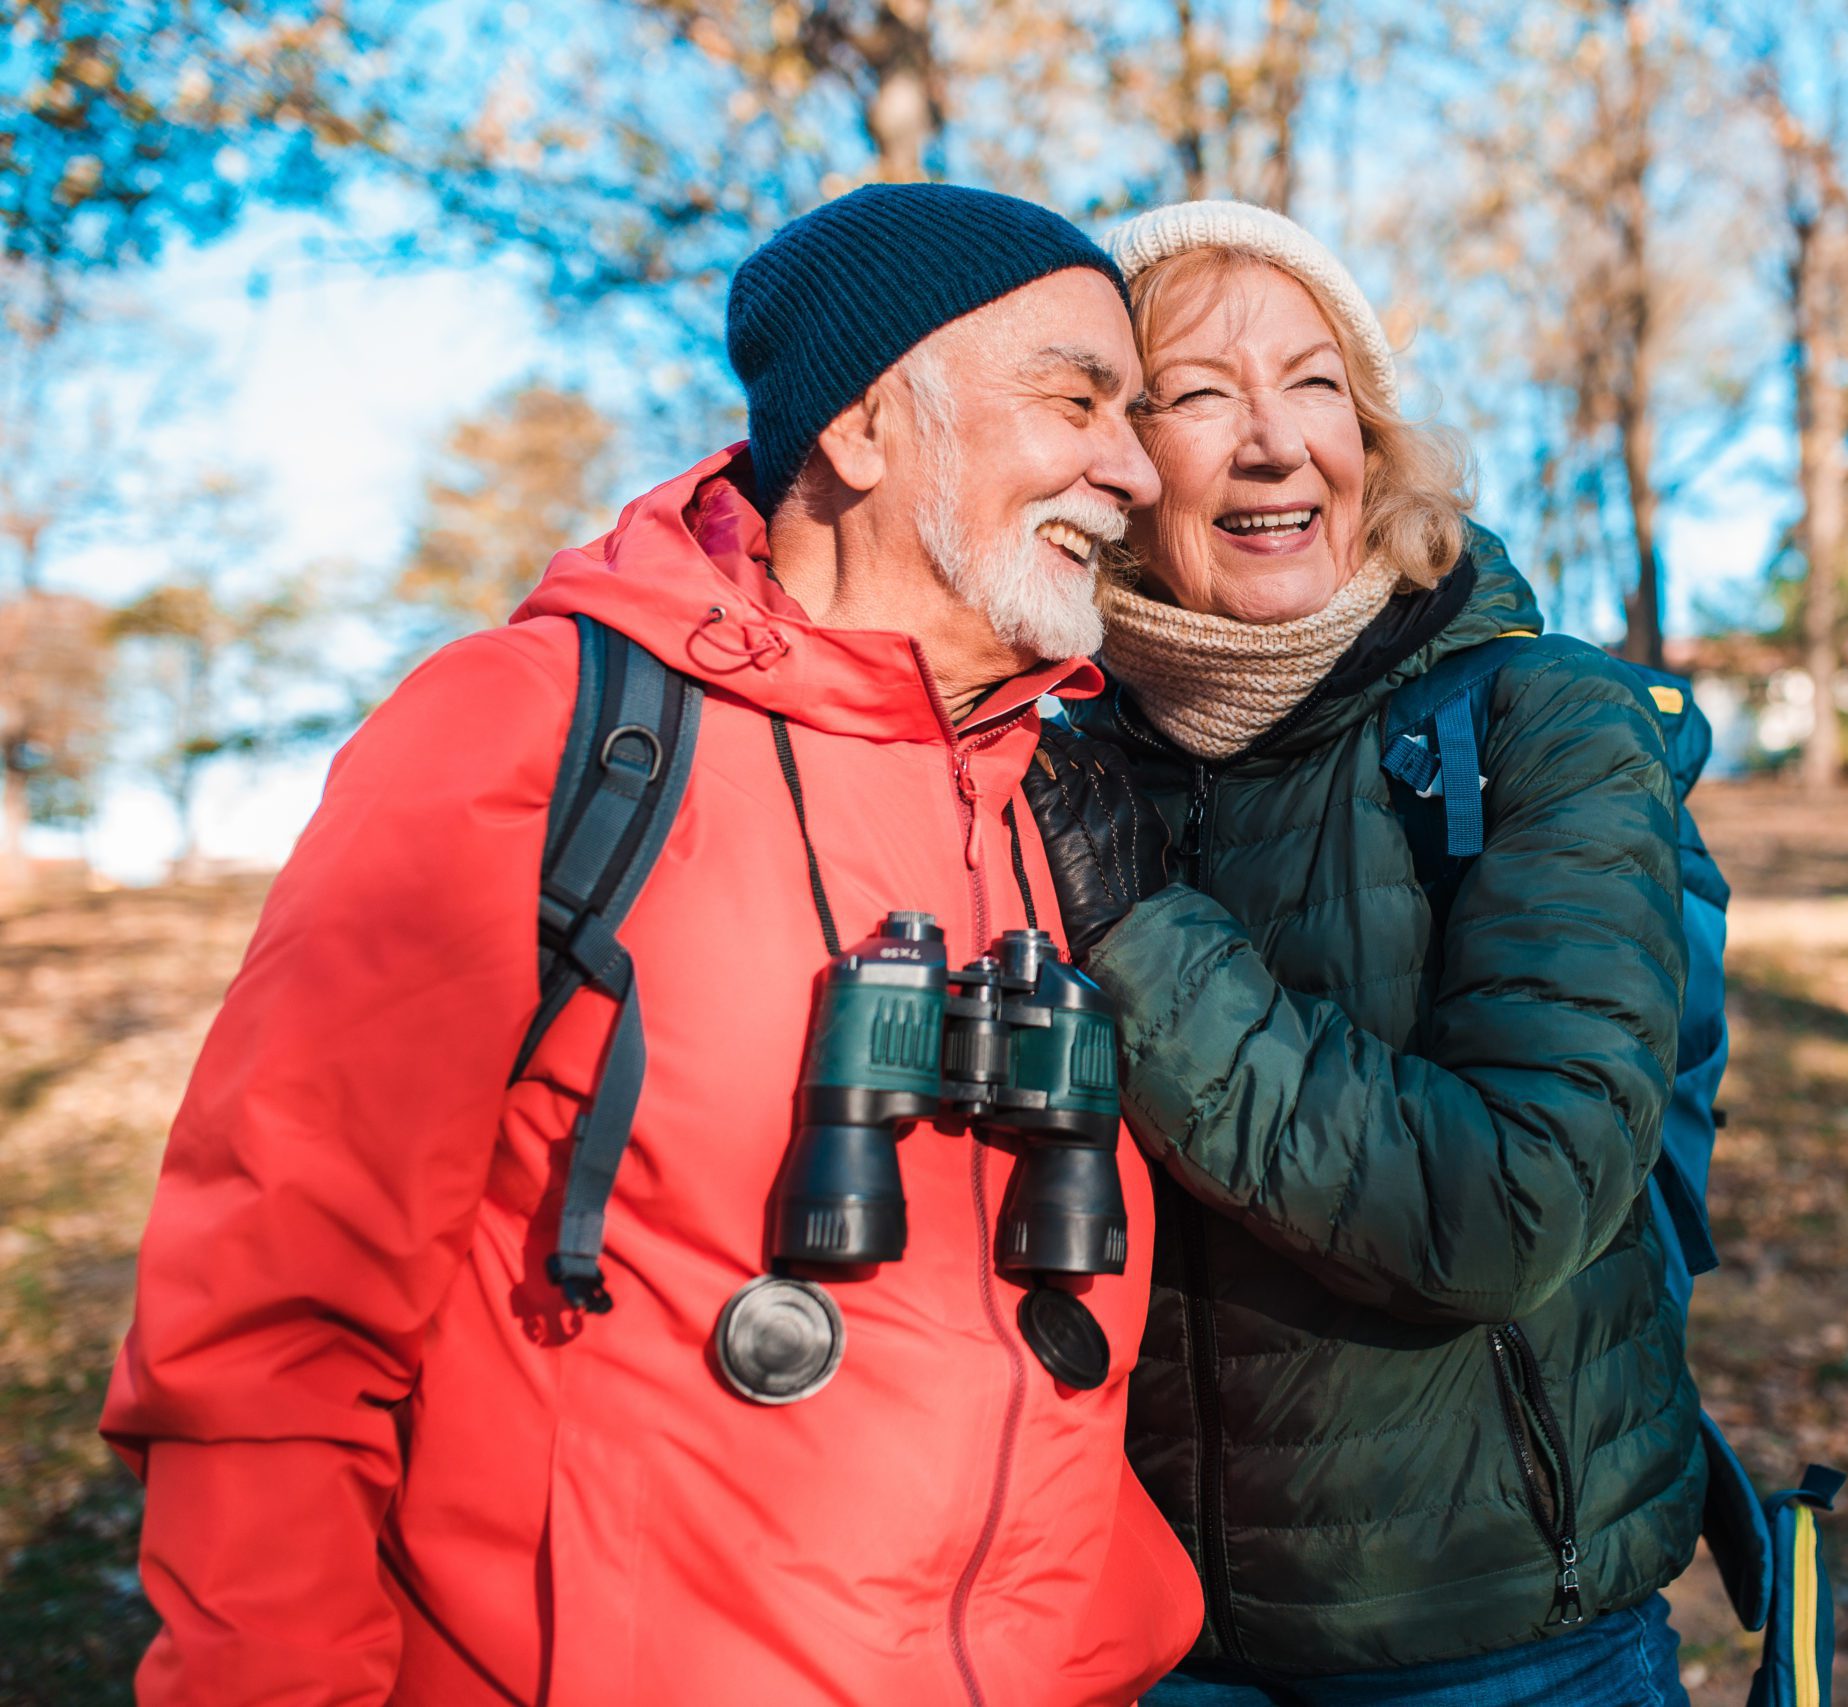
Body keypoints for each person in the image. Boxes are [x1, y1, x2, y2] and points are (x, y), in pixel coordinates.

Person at [100, 184, 1202, 1707]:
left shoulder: (1055, 793)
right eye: (1076, 399)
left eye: (1137, 413)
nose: (1138, 469)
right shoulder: (534, 730)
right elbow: (272, 1329)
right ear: (867, 428)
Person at [1020, 200, 1707, 1704]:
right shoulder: (1059, 771)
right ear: (1115, 465)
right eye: (1199, 393)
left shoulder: (1540, 722)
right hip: (1146, 1645)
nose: (1275, 443)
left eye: (1315, 382)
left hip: (1497, 1648)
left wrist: (1141, 939)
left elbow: (1513, 1202)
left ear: (1373, 436)